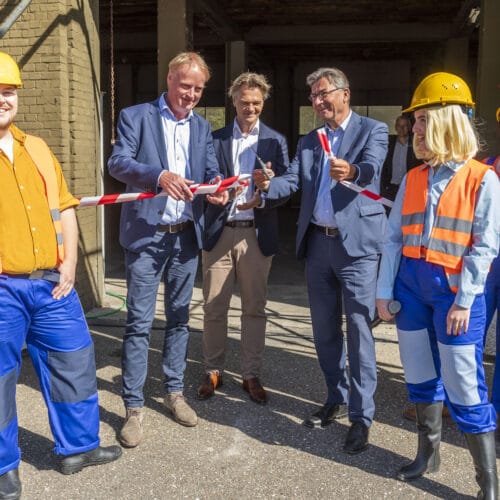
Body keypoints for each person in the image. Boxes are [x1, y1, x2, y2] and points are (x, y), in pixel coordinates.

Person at [0, 52, 121, 499]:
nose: (2, 99)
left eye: (8, 91)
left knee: (74, 364)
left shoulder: (37, 148)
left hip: (53, 283)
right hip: (3, 289)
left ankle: (79, 448)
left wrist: (69, 263)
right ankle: (2, 468)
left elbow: (66, 209)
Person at [376, 73, 500, 497]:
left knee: (465, 384)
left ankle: (487, 481)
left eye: (425, 119)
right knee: (420, 374)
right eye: (416, 121)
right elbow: (393, 239)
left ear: (449, 121)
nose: (416, 129)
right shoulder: (413, 178)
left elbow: (484, 249)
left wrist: (465, 300)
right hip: (410, 289)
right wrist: (383, 291)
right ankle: (428, 453)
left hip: (454, 296)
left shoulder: (483, 179)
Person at [257, 67, 388, 453]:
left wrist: (352, 170)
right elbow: (293, 180)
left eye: (323, 93)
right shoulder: (310, 140)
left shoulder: (372, 130)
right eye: (312, 96)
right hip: (319, 246)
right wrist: (267, 185)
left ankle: (362, 417)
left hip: (358, 249)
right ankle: (336, 395)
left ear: (344, 93)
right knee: (325, 332)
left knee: (360, 333)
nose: (317, 102)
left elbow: (372, 168)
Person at [108, 52, 228, 448]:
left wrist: (217, 191)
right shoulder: (136, 116)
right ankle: (133, 406)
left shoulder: (202, 127)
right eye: (185, 85)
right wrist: (157, 175)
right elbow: (118, 162)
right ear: (169, 79)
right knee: (139, 323)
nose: (191, 94)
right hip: (148, 235)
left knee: (179, 319)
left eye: (198, 89)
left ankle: (173, 392)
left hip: (185, 237)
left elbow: (210, 172)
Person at [197, 72, 289, 404]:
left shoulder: (275, 142)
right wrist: (215, 189)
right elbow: (204, 178)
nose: (250, 108)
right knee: (213, 307)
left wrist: (266, 192)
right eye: (244, 101)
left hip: (255, 232)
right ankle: (212, 369)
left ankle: (251, 374)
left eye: (256, 103)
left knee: (254, 308)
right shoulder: (215, 138)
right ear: (233, 100)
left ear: (263, 104)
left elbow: (287, 188)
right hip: (221, 230)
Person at [484, 108, 500, 427]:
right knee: (466, 337)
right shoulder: (483, 169)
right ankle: (465, 400)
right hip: (483, 263)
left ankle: (496, 411)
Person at [380, 115, 419, 204]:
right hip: (390, 189)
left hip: (409, 188)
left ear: (409, 127)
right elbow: (384, 165)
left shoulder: (415, 144)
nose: (401, 128)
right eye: (399, 126)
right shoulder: (389, 143)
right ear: (395, 127)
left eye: (404, 126)